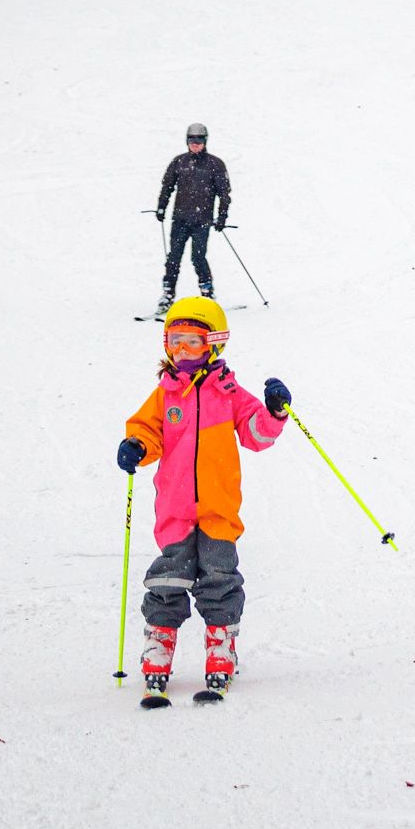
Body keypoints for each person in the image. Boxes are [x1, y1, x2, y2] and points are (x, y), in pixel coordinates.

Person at [116, 297, 291, 704]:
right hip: (175, 512)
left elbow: (255, 434)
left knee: (218, 580)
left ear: (213, 344)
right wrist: (135, 446)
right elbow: (147, 430)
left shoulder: (228, 392)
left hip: (217, 510)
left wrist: (274, 413)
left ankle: (220, 649)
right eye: (174, 341)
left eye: (192, 342)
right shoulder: (166, 394)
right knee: (167, 580)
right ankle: (158, 648)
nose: (181, 350)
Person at [155, 123, 232, 314]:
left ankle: (207, 294)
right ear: (187, 141)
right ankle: (167, 294)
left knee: (198, 257)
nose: (195, 144)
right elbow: (167, 186)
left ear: (205, 141)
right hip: (180, 218)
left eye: (199, 140)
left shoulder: (215, 164)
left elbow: (224, 193)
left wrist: (221, 216)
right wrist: (161, 207)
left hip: (202, 220)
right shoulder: (179, 162)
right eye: (192, 140)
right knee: (173, 257)